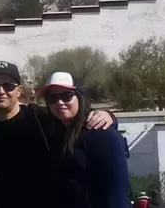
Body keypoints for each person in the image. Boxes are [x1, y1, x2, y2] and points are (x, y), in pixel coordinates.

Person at [0, 61, 116, 208]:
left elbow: (77, 120)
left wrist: (109, 116)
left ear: (19, 90)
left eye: (8, 86)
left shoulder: (42, 118)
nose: (1, 91)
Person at [40, 72, 129, 208]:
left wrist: (110, 116)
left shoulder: (101, 134)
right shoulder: (55, 132)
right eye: (53, 98)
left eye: (67, 96)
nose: (59, 102)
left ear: (80, 98)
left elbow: (117, 192)